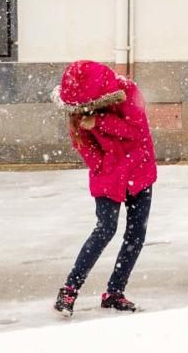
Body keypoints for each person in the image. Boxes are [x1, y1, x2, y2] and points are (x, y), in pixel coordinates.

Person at [51, 60, 157, 317]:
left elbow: (135, 131)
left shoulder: (129, 93)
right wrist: (102, 165)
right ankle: (69, 290)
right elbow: (82, 143)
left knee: (135, 235)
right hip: (109, 174)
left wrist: (99, 122)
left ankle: (114, 292)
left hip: (139, 170)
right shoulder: (78, 105)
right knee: (104, 230)